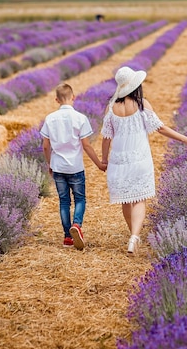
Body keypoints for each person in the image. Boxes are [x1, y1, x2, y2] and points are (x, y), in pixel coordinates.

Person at [101, 66, 187, 255]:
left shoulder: (111, 107)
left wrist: (104, 159)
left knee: (126, 200)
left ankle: (133, 235)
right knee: (139, 199)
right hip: (139, 157)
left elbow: (106, 138)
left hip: (118, 160)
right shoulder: (142, 104)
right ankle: (134, 237)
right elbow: (160, 128)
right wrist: (185, 139)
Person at [41, 83, 106, 250]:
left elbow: (46, 146)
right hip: (75, 167)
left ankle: (67, 238)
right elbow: (86, 145)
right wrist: (99, 163)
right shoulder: (80, 118)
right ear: (73, 97)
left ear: (56, 100)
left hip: (58, 167)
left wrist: (50, 163)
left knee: (64, 201)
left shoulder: (50, 118)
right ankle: (76, 224)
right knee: (80, 199)